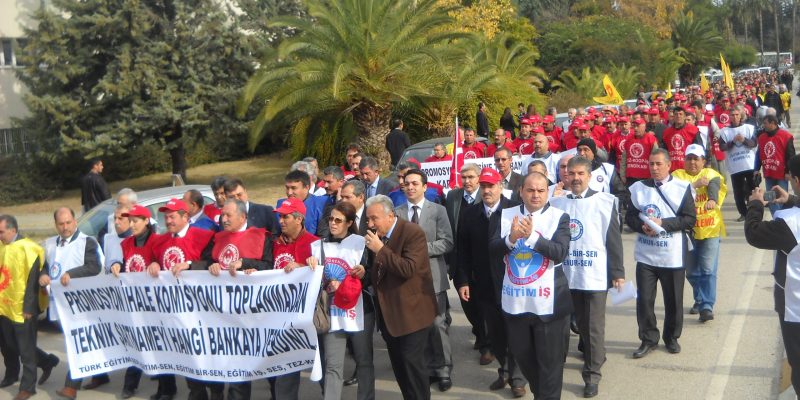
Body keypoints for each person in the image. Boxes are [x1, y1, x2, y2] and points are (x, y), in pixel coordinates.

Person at [490, 172, 572, 399]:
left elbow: (560, 253)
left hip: (550, 304)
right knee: (523, 356)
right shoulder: (505, 215)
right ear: (521, 191)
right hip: (516, 302)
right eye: (530, 190)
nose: (535, 195)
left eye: (541, 190)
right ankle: (542, 394)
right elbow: (493, 249)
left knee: (551, 364)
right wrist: (511, 239)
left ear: (547, 192)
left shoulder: (560, 217)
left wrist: (533, 238)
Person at [549, 157, 624, 398]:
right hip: (566, 274)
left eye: (581, 173)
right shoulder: (557, 203)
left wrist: (618, 274)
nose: (576, 178)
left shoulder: (604, 201)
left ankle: (592, 374)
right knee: (574, 324)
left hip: (594, 274)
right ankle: (586, 356)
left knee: (592, 327)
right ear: (566, 176)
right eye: (571, 173)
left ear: (589, 176)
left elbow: (613, 240)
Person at [191, 199, 274, 400]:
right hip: (220, 312)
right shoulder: (218, 237)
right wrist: (210, 265)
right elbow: (209, 260)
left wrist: (245, 262)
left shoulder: (262, 236)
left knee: (242, 363)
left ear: (243, 216)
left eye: (228, 215)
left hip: (250, 313)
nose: (223, 219)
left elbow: (270, 267)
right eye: (222, 215)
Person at [455, 168, 526, 398]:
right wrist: (463, 280)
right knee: (495, 333)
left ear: (500, 187)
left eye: (491, 186)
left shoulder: (513, 210)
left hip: (511, 281)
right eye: (483, 186)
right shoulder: (470, 214)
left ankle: (518, 378)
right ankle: (504, 370)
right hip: (484, 284)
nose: (487, 190)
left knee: (514, 331)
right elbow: (462, 251)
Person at [625, 149, 696, 359]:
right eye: (651, 164)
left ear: (668, 165)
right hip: (646, 255)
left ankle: (672, 337)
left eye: (658, 164)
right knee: (645, 300)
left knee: (673, 300)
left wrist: (663, 224)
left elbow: (689, 219)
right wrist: (642, 226)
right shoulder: (638, 188)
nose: (654, 168)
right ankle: (648, 338)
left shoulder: (682, 188)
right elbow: (629, 217)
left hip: (672, 255)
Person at [364, 195, 437, 400]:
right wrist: (365, 270)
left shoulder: (412, 232)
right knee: (400, 369)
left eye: (374, 219)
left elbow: (408, 269)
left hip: (411, 315)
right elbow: (378, 271)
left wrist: (381, 249)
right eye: (368, 219)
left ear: (390, 216)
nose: (370, 224)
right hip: (388, 317)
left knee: (413, 368)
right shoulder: (376, 236)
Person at [150, 199, 217, 400]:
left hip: (202, 308)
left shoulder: (205, 236)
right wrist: (153, 263)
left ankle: (216, 392)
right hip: (175, 309)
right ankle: (196, 393)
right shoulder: (160, 241)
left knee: (207, 352)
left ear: (185, 216)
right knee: (186, 352)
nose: (168, 221)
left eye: (172, 216)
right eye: (166, 217)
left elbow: (213, 262)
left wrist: (189, 264)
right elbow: (155, 260)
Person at [743, 156, 800, 395]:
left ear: (796, 180)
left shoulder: (790, 223)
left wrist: (755, 204)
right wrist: (793, 200)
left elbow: (754, 233)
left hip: (795, 309)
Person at [306, 202, 374, 400]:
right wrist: (309, 265)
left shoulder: (361, 243)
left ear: (350, 222)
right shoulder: (317, 246)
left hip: (360, 310)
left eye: (338, 220)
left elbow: (372, 276)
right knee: (333, 365)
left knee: (363, 361)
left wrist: (364, 273)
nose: (333, 224)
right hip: (330, 312)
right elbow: (311, 282)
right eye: (331, 219)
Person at [395, 169, 454, 391]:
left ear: (425, 186)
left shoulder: (437, 210)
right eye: (407, 184)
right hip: (406, 279)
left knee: (437, 323)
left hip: (433, 276)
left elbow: (447, 242)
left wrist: (418, 250)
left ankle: (443, 368)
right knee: (417, 326)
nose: (410, 187)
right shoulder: (397, 213)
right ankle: (426, 369)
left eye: (415, 184)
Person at [40, 208, 104, 400]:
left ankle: (71, 386)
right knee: (77, 341)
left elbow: (94, 266)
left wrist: (72, 274)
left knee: (77, 343)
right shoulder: (51, 244)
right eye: (61, 224)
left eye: (68, 222)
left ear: (75, 222)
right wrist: (43, 275)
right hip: (60, 305)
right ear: (56, 225)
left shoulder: (87, 242)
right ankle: (101, 375)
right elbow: (46, 265)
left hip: (82, 305)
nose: (65, 227)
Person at [0, 215, 59, 400]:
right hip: (3, 306)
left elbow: (34, 281)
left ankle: (27, 387)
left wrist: (29, 308)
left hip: (23, 308)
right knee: (8, 345)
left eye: (1, 231)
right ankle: (15, 373)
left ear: (13, 230)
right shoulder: (2, 246)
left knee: (25, 349)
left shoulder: (30, 249)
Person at [108, 205, 162, 399]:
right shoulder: (127, 243)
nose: (131, 225)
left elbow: (162, 263)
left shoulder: (157, 241)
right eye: (129, 221)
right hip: (134, 301)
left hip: (155, 301)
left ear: (146, 221)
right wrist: (116, 265)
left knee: (159, 344)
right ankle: (130, 385)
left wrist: (157, 264)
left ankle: (166, 387)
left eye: (135, 221)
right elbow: (126, 264)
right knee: (135, 341)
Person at [672, 144, 726, 322]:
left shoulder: (711, 174)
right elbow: (674, 196)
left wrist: (711, 198)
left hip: (710, 229)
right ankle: (700, 299)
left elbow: (714, 185)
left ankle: (706, 306)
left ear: (704, 161)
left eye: (696, 158)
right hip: (687, 232)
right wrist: (694, 185)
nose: (693, 162)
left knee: (708, 270)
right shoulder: (677, 176)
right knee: (692, 272)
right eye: (689, 158)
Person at [444, 164, 492, 363]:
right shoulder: (453, 197)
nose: (467, 181)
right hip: (460, 262)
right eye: (463, 177)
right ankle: (480, 333)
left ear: (479, 178)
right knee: (468, 305)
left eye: (471, 177)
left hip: (483, 262)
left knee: (484, 305)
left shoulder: (487, 197)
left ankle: (487, 344)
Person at [718, 106, 757, 221]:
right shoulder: (724, 131)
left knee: (753, 189)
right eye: (732, 115)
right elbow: (722, 147)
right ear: (729, 117)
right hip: (735, 167)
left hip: (749, 164)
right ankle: (743, 213)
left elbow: (753, 143)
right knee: (738, 192)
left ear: (741, 116)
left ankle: (755, 211)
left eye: (736, 115)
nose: (734, 117)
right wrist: (733, 142)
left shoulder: (749, 128)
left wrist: (743, 140)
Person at [758, 114, 796, 215]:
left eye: (765, 123)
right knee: (771, 199)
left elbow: (791, 156)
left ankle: (783, 219)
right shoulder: (761, 137)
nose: (763, 125)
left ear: (773, 123)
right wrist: (756, 170)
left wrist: (789, 172)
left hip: (782, 175)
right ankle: (777, 219)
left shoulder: (786, 136)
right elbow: (759, 155)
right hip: (769, 174)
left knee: (782, 198)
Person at [276, 170, 329, 236]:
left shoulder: (321, 203)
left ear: (306, 188)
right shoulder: (281, 204)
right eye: (287, 188)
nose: (289, 192)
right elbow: (276, 233)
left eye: (293, 188)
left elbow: (324, 236)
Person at [620, 118, 658, 186]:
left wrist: (654, 176)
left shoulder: (651, 139)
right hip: (630, 177)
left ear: (644, 127)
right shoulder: (628, 140)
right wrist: (622, 175)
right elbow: (624, 159)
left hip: (646, 177)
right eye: (634, 126)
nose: (635, 128)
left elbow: (656, 158)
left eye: (638, 126)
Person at [661, 107, 700, 172]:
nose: (678, 116)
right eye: (676, 114)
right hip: (671, 169)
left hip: (688, 168)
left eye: (680, 114)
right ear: (673, 117)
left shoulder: (693, 131)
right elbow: (664, 151)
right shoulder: (666, 133)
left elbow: (698, 150)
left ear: (685, 116)